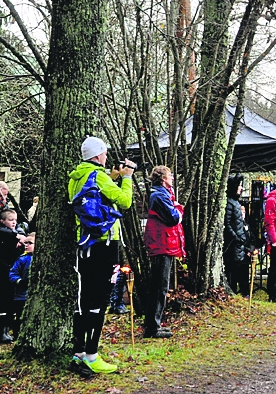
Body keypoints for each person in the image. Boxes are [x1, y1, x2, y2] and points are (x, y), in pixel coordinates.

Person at [67, 137, 134, 376]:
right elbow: (125, 201)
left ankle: (79, 351)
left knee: (84, 298)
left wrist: (113, 179)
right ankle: (93, 355)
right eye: (105, 153)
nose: (106, 158)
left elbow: (97, 194)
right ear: (99, 155)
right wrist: (126, 178)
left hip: (83, 242)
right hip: (105, 243)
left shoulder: (76, 177)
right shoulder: (100, 176)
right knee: (100, 299)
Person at [143, 165, 184, 338]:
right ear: (163, 179)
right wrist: (178, 208)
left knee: (160, 285)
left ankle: (154, 324)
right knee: (159, 286)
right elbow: (174, 217)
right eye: (170, 176)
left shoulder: (162, 194)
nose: (172, 178)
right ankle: (152, 327)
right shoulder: (159, 196)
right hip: (161, 244)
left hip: (163, 243)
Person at [0, 207, 25, 342]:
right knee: (2, 301)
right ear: (2, 221)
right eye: (11, 220)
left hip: (12, 271)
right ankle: (0, 331)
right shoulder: (1, 235)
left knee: (10, 301)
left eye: (15, 220)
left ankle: (7, 329)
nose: (14, 223)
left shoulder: (16, 233)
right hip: (2, 271)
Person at [223, 176, 251, 295]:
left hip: (240, 242)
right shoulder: (229, 202)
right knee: (233, 269)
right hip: (233, 243)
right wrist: (235, 237)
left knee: (242, 268)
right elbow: (227, 223)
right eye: (239, 186)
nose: (241, 188)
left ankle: (244, 293)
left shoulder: (235, 202)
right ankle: (234, 292)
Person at [8, 234, 34, 338]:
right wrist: (19, 281)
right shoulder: (22, 259)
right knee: (20, 316)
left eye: (30, 243)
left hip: (34, 295)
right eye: (25, 243)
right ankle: (17, 335)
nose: (26, 245)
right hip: (21, 296)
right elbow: (12, 273)